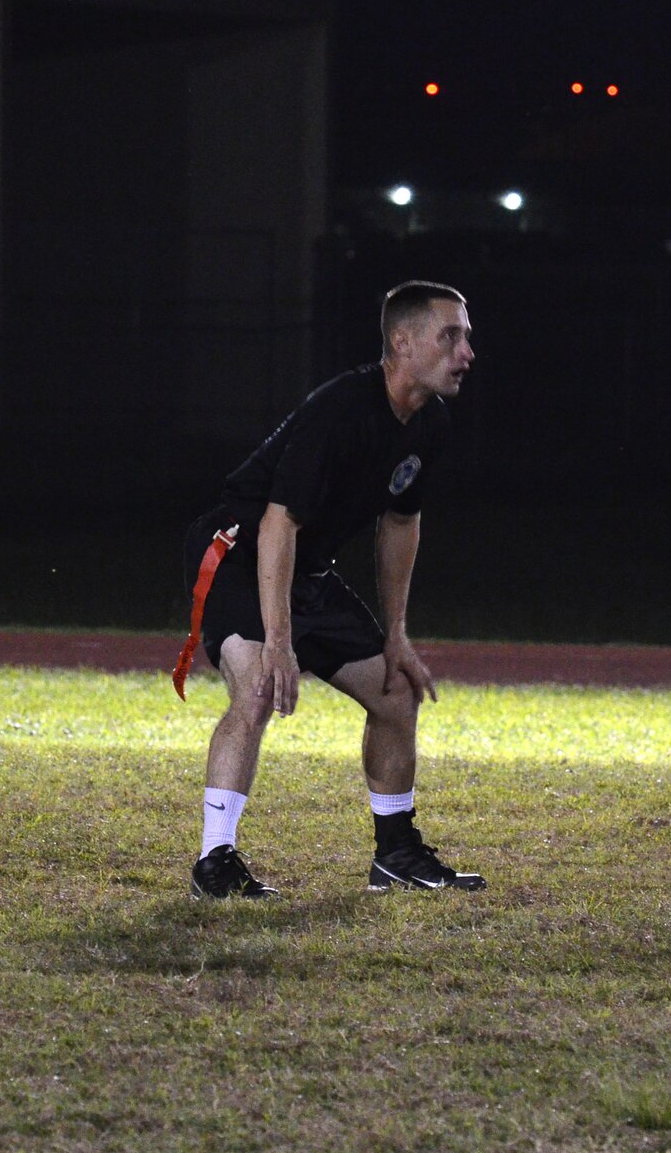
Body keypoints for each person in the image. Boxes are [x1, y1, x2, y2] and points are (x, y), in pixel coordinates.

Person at [173, 281, 486, 898]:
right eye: (451, 335)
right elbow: (277, 522)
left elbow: (399, 524)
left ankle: (396, 853)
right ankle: (215, 861)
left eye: (466, 336)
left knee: (397, 694)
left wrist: (395, 634)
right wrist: (280, 642)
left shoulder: (430, 422)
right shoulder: (341, 409)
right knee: (259, 690)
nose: (466, 351)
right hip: (240, 552)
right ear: (403, 342)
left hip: (303, 567)